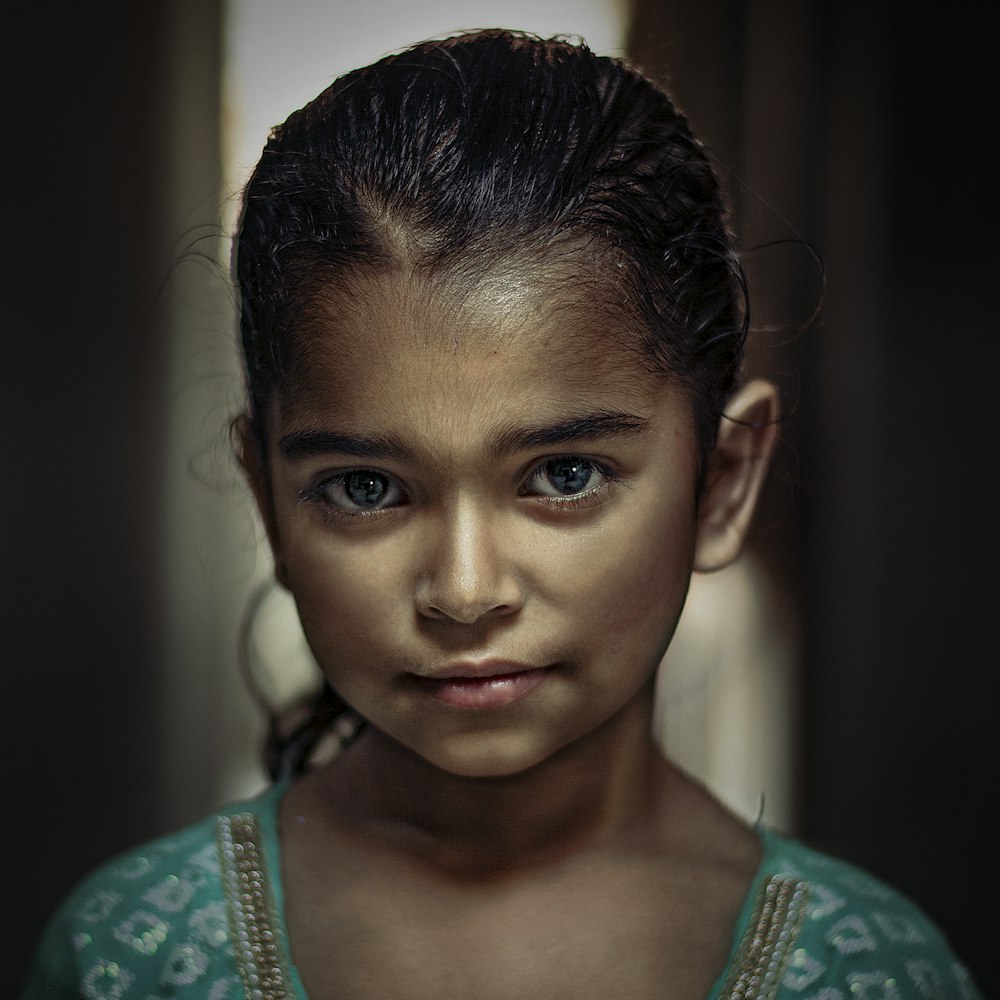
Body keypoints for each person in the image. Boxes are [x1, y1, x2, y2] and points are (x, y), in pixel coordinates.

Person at [20, 28, 982, 1000]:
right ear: (267, 499)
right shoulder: (124, 960)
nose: (465, 592)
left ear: (722, 481)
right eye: (365, 487)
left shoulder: (872, 972)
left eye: (563, 474)